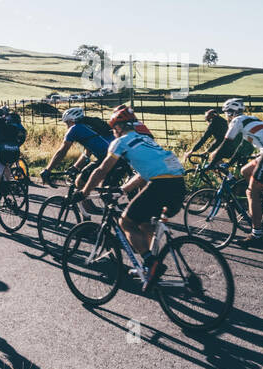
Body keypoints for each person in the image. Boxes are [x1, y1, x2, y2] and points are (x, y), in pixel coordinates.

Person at [76, 106, 185, 287]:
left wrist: (84, 192)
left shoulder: (121, 141)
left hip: (160, 185)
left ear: (118, 127)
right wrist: (124, 189)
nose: (113, 132)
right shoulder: (146, 139)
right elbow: (144, 172)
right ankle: (148, 266)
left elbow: (102, 170)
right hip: (178, 185)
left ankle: (152, 263)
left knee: (126, 221)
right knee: (143, 223)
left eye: (113, 128)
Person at [205, 98, 263, 248]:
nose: (226, 116)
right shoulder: (251, 119)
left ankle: (256, 234)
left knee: (251, 192)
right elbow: (241, 146)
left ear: (230, 112)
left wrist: (211, 164)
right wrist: (230, 163)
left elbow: (226, 145)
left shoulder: (236, 121)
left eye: (226, 113)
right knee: (245, 171)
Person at [40, 107, 114, 183]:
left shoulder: (75, 129)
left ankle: (81, 194)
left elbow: (62, 152)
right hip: (117, 154)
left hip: (107, 158)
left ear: (72, 120)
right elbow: (87, 152)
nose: (67, 127)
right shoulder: (90, 125)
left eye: (67, 123)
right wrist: (75, 167)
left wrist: (48, 170)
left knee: (79, 182)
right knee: (104, 186)